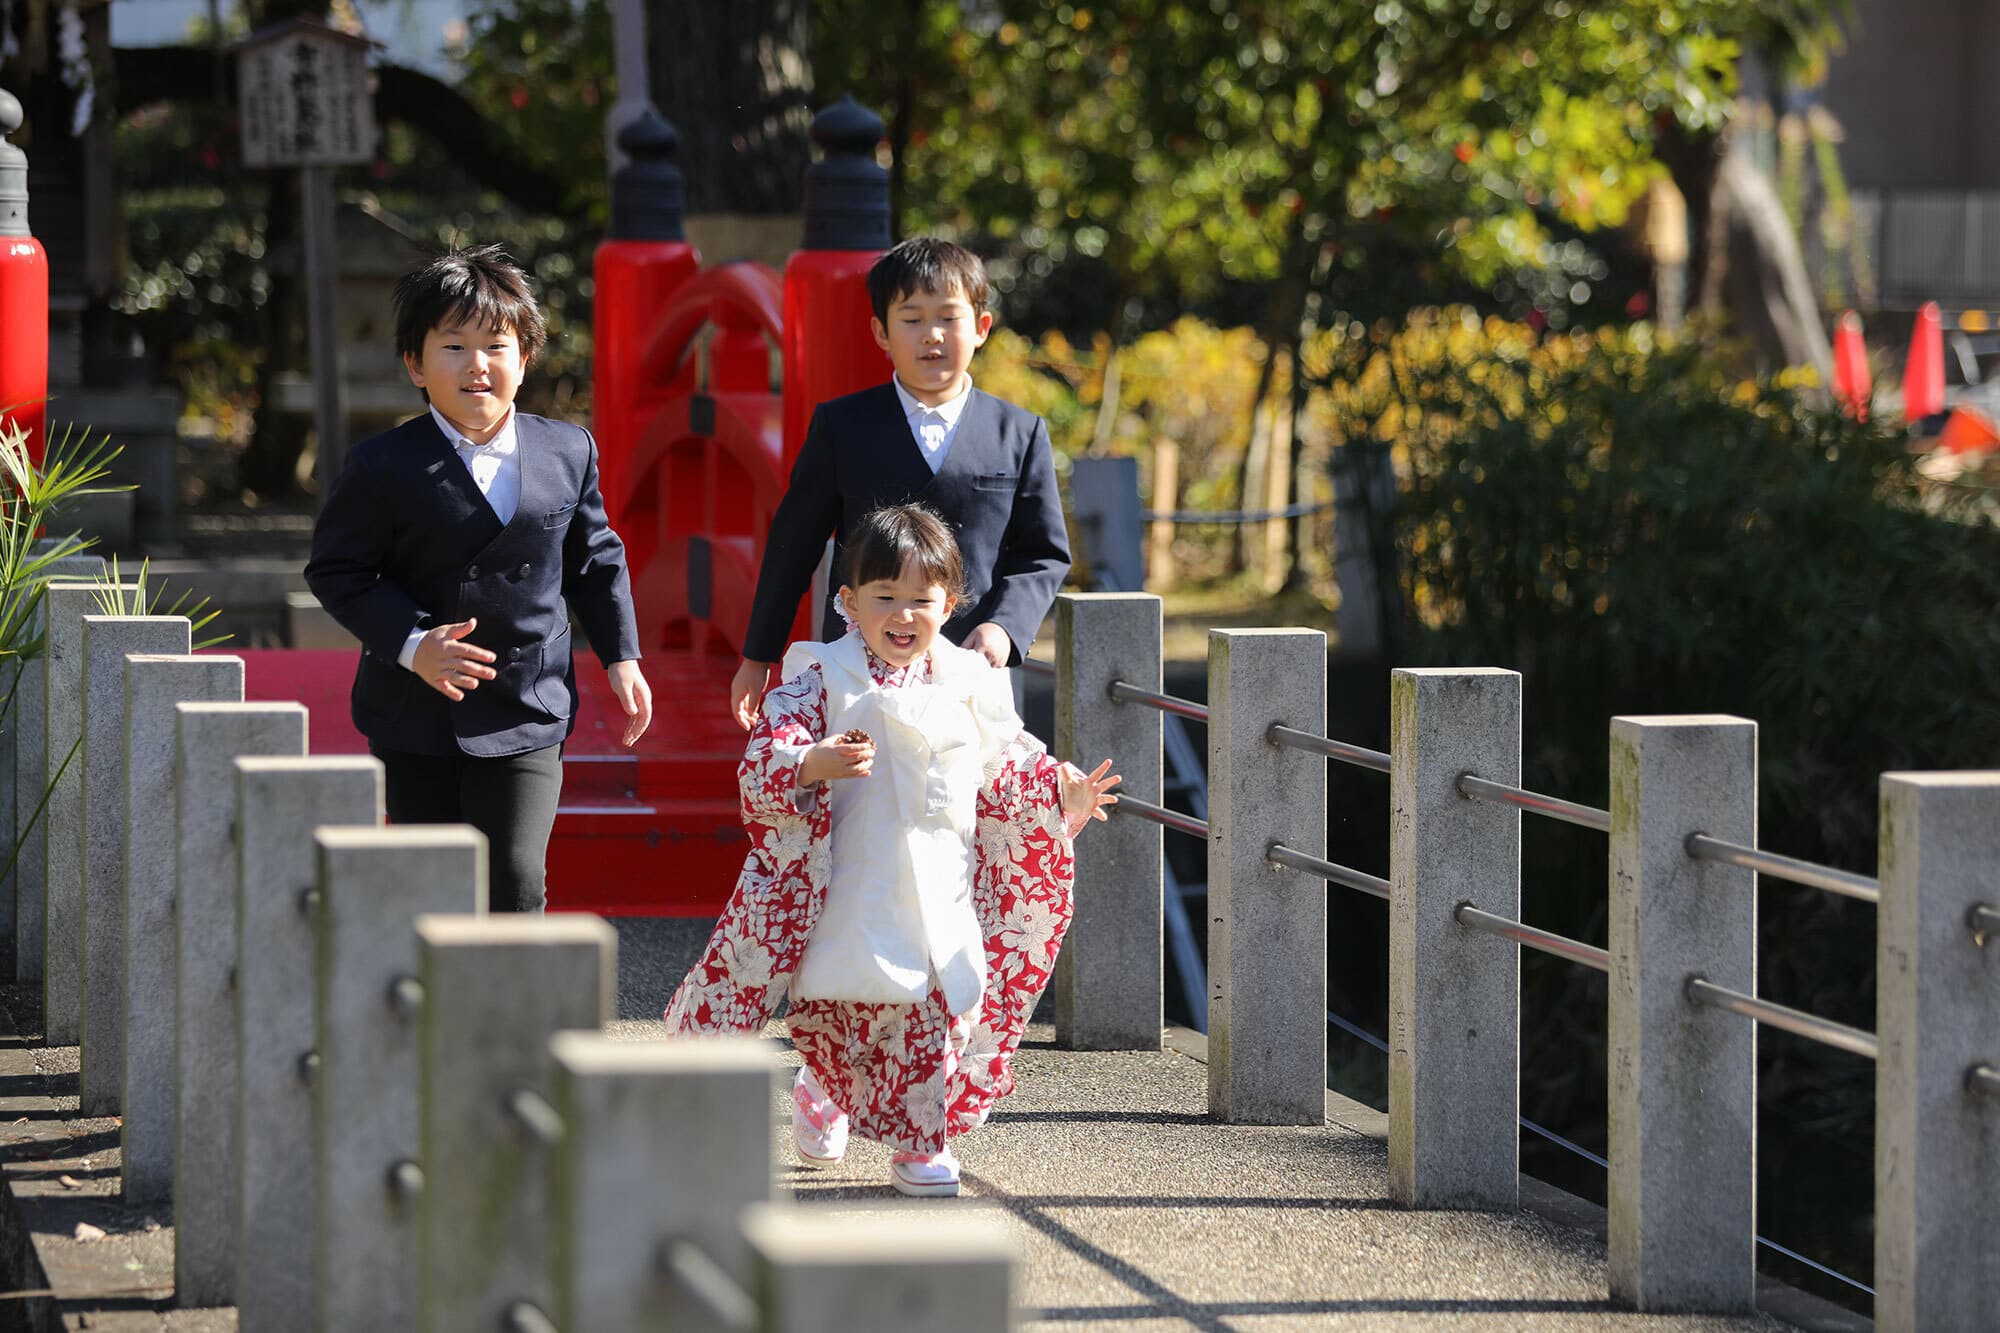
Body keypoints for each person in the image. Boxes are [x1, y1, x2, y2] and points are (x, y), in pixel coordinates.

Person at [667, 503, 1118, 1197]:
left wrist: (1059, 791)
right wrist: (813, 762)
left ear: (951, 603)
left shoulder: (968, 680)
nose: (904, 616)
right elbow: (767, 756)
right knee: (846, 1001)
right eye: (885, 598)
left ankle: (919, 1141)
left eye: (922, 600)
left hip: (940, 881)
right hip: (850, 874)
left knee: (934, 1005)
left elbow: (1006, 765)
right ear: (849, 601)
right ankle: (824, 1085)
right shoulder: (822, 675)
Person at [305, 244, 652, 913]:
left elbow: (594, 558)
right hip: (415, 713)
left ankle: (512, 1018)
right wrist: (412, 644)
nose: (477, 365)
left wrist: (622, 656)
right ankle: (429, 1015)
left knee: (516, 877)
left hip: (528, 700)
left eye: (496, 344)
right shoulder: (383, 464)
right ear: (416, 364)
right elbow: (338, 570)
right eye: (454, 346)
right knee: (428, 888)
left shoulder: (568, 449)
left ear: (524, 359)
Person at [728, 237, 1070, 730]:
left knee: (968, 802)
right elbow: (793, 545)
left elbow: (1043, 553)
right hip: (856, 670)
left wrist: (1004, 628)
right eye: (912, 319)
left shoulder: (1018, 432)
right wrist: (758, 657)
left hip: (972, 669)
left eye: (949, 318)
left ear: (981, 327)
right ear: (881, 332)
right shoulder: (841, 426)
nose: (932, 335)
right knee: (861, 799)